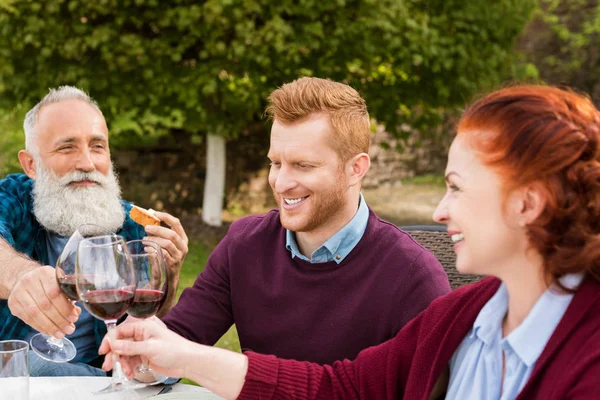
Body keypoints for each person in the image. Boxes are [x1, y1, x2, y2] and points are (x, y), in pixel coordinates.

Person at [102, 84, 600, 399]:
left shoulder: (419, 279)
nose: (438, 210)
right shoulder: (469, 314)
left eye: (457, 187)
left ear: (527, 204)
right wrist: (171, 352)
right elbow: (343, 387)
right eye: (277, 163)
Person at [156, 77, 450, 365]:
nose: (281, 183)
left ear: (355, 169)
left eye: (303, 165)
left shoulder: (413, 276)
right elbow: (170, 348)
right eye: (276, 163)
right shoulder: (244, 244)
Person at [0, 86, 189, 377]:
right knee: (39, 367)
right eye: (67, 147)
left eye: (97, 147)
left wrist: (170, 272)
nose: (87, 163)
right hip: (17, 370)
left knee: (164, 368)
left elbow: (148, 323)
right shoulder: (14, 197)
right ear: (31, 164)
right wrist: (20, 275)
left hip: (100, 368)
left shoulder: (132, 223)